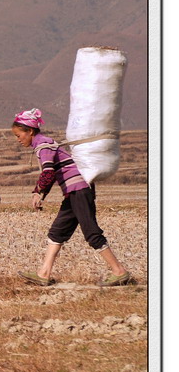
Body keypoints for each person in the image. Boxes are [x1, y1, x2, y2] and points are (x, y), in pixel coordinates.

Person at [11, 108, 132, 287]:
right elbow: (51, 173)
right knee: (58, 231)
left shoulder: (43, 145)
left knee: (91, 232)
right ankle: (43, 273)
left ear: (30, 131)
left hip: (79, 190)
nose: (18, 139)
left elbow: (48, 172)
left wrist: (38, 192)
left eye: (19, 135)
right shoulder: (44, 144)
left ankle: (119, 271)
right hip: (74, 191)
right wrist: (41, 192)